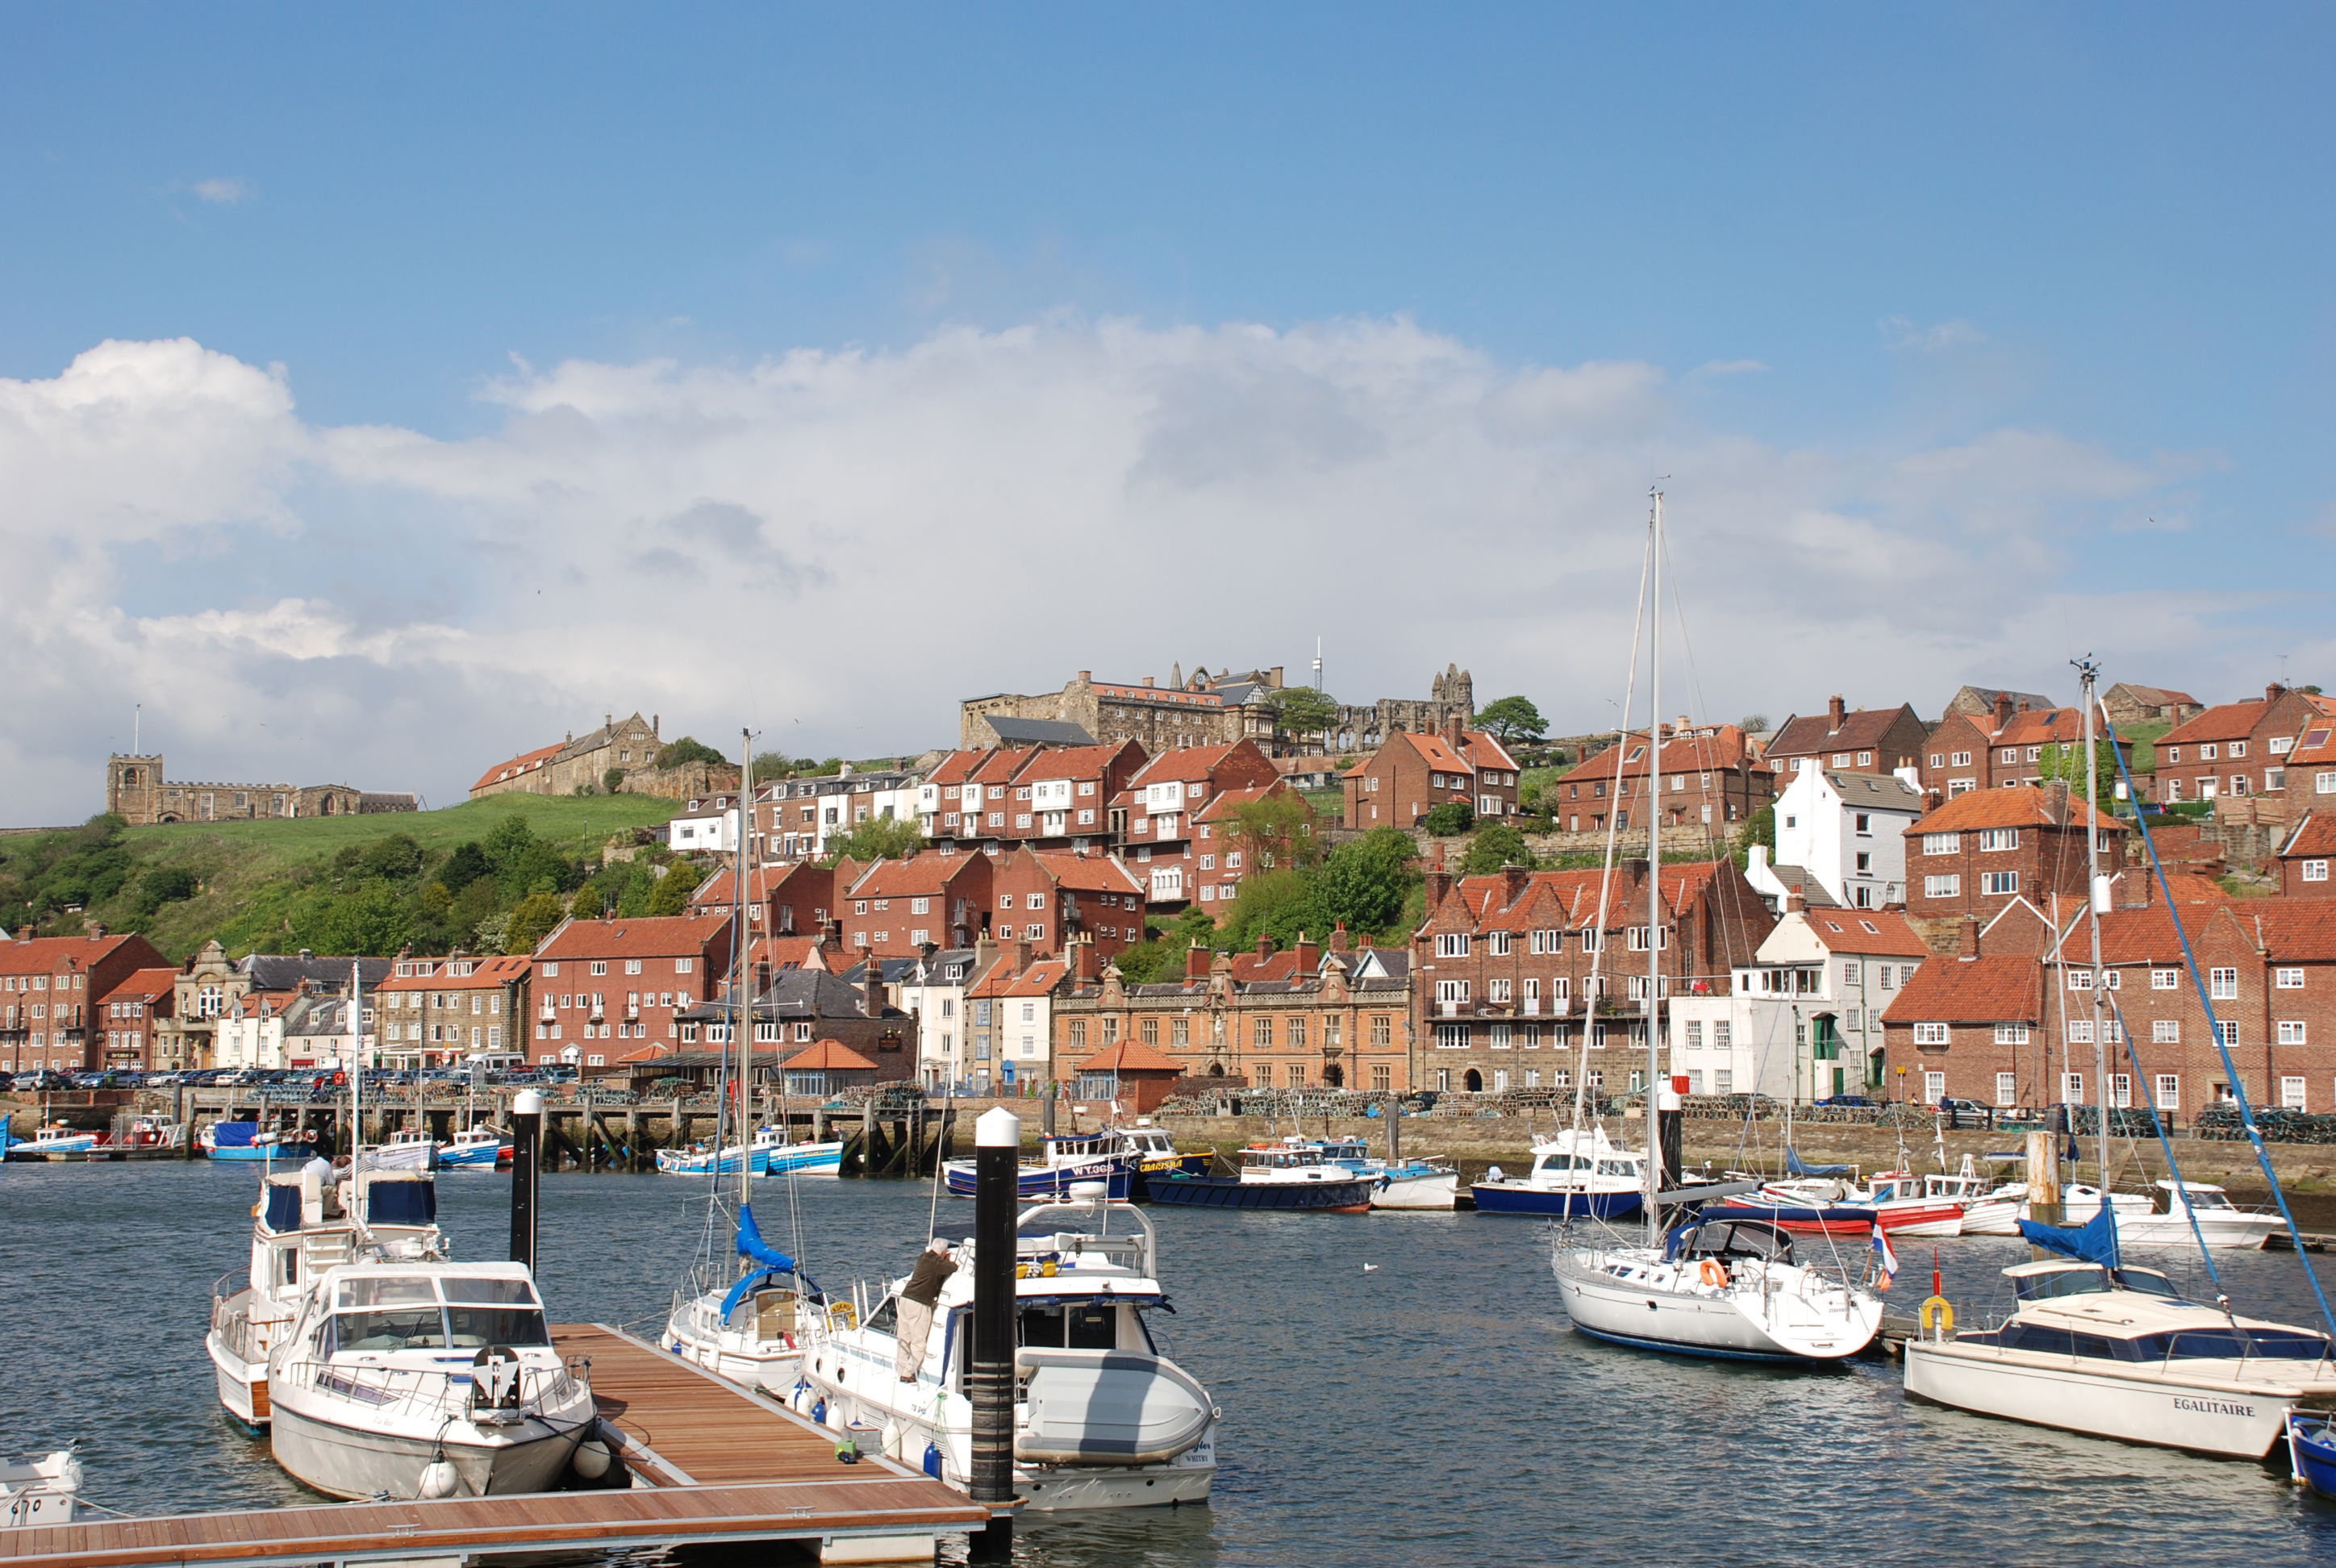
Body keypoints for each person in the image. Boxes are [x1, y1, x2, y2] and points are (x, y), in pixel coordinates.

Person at [895, 1236, 957, 1382]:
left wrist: (942, 1257)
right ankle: (908, 1373)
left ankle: (900, 1369)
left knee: (904, 1338)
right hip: (919, 1302)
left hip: (905, 1298)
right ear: (943, 1252)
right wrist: (946, 1259)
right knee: (919, 1342)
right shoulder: (936, 1263)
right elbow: (953, 1268)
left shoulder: (923, 1257)